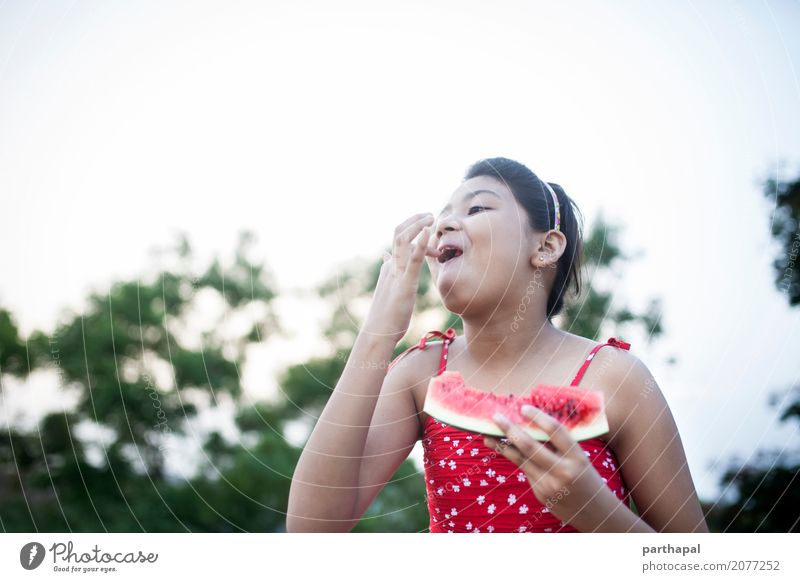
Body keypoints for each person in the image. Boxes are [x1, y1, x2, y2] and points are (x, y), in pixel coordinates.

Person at [287, 157, 708, 533]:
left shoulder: (616, 377)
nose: (445, 224)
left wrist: (599, 515)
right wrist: (376, 335)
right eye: (445, 216)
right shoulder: (421, 373)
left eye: (477, 208)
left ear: (545, 246)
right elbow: (310, 530)